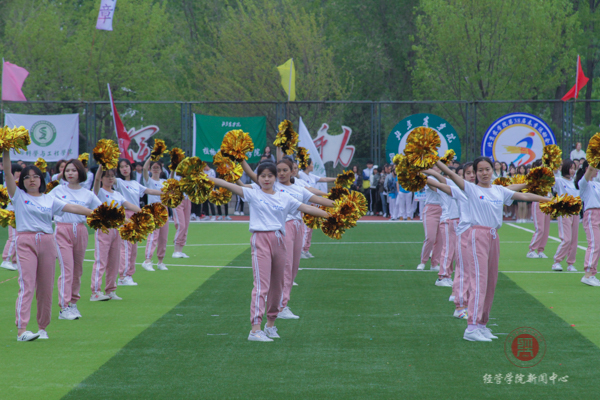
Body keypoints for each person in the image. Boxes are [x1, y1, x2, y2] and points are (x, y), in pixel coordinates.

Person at [206, 162, 329, 342]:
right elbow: (226, 184)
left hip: (280, 240)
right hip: (261, 240)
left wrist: (333, 213)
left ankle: (270, 325)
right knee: (261, 286)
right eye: (262, 176)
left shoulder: (284, 197)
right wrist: (205, 178)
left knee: (278, 286)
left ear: (274, 178)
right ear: (258, 178)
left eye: (270, 175)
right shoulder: (253, 193)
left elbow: (308, 208)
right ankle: (255, 329)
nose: (266, 179)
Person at [433, 158, 550, 341]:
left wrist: (549, 200)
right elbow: (450, 175)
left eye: (487, 169)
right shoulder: (471, 189)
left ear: (492, 170)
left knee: (490, 282)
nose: (484, 173)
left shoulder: (498, 190)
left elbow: (525, 196)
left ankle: (482, 324)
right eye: (480, 170)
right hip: (477, 235)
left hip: (493, 236)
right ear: (476, 173)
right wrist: (435, 161)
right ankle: (471, 328)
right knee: (479, 282)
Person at [4, 150, 93, 341]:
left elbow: (73, 208)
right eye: (27, 177)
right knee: (27, 285)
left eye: (35, 176)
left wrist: (98, 213)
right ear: (22, 181)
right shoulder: (18, 195)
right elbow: (8, 172)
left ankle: (42, 328)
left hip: (47, 242)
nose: (31, 180)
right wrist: (5, 150)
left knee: (46, 288)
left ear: (41, 179)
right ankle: (22, 330)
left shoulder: (49, 199)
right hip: (26, 241)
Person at [241, 158, 334, 320]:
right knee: (286, 267)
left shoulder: (299, 188)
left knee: (293, 268)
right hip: (284, 227)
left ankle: (283, 303)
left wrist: (341, 206)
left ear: (293, 171)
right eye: (279, 170)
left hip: (298, 226)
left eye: (285, 170)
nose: (282, 173)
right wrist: (240, 159)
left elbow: (318, 200)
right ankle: (281, 306)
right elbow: (251, 174)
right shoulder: (273, 185)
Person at [49, 159, 102, 320]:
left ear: (80, 172)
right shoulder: (57, 190)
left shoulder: (88, 194)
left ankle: (73, 303)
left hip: (80, 231)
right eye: (67, 170)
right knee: (67, 270)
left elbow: (101, 210)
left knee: (77, 271)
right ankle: (64, 307)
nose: (70, 173)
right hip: (62, 230)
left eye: (73, 170)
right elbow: (44, 205)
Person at [91, 166, 142, 301]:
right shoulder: (99, 192)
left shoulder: (117, 194)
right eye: (107, 176)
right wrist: (101, 165)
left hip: (117, 230)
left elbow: (130, 205)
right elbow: (96, 179)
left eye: (112, 176)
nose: (110, 178)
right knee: (101, 261)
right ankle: (95, 292)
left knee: (114, 262)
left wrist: (145, 213)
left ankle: (110, 290)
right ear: (102, 178)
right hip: (104, 229)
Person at [114, 158, 162, 283]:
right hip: (125, 215)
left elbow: (149, 190)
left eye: (126, 166)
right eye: (121, 167)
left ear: (131, 168)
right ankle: (123, 277)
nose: (124, 169)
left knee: (134, 248)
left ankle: (129, 274)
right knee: (126, 247)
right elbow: (106, 178)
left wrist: (165, 193)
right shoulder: (119, 182)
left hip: (136, 216)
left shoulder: (135, 183)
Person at [551, 160, 579, 272]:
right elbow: (549, 177)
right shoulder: (559, 180)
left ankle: (570, 263)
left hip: (575, 211)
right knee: (566, 239)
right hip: (564, 211)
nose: (572, 171)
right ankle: (557, 262)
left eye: (574, 168)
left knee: (574, 240)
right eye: (571, 168)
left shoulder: (575, 182)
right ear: (565, 168)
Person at [575, 161, 600, 286]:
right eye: (596, 168)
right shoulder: (583, 183)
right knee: (594, 244)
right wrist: (594, 158)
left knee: (598, 245)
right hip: (591, 214)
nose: (597, 170)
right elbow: (590, 169)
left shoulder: (597, 184)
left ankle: (592, 274)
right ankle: (588, 274)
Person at [142, 159, 169, 271]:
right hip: (153, 209)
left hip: (164, 209)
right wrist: (151, 157)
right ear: (150, 169)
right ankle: (147, 260)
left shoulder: (164, 182)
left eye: (158, 167)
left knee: (163, 237)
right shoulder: (149, 181)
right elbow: (144, 169)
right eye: (154, 167)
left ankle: (160, 261)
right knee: (153, 236)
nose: (156, 169)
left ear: (161, 169)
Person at [416, 165, 443, 271]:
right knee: (430, 238)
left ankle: (434, 264)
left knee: (440, 240)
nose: (438, 168)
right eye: (436, 166)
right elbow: (436, 189)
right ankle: (423, 262)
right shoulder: (429, 179)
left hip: (443, 210)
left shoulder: (444, 179)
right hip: (431, 210)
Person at [527, 160, 551, 259]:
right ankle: (531, 250)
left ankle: (540, 250)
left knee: (546, 229)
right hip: (538, 202)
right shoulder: (534, 177)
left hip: (547, 203)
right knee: (540, 228)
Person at [1, 163, 22, 271]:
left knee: (19, 238)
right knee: (13, 237)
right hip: (12, 213)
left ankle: (14, 261)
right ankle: (6, 259)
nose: (20, 173)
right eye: (18, 171)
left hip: (19, 212)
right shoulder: (10, 182)